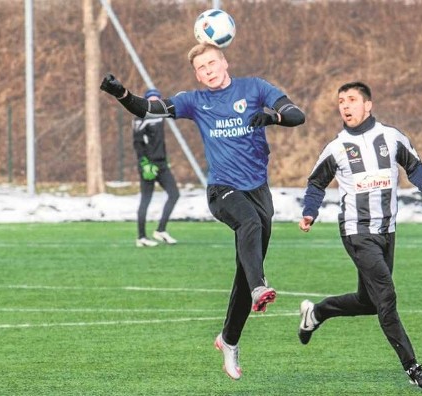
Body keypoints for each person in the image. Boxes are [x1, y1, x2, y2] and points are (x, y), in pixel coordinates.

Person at [99, 43, 305, 380]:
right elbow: (147, 109)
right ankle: (259, 287)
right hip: (222, 190)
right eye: (201, 68)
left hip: (258, 191)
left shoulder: (255, 88)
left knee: (246, 264)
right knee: (249, 228)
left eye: (212, 63)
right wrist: (121, 93)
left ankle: (229, 339)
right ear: (196, 74)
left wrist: (273, 116)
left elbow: (298, 115)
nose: (207, 71)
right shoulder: (194, 101)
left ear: (224, 62)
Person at [297, 81, 422, 390]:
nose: (345, 105)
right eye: (341, 101)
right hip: (356, 231)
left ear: (367, 105)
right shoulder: (337, 147)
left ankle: (316, 313)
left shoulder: (391, 137)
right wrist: (309, 211)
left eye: (351, 100)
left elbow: (415, 168)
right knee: (387, 296)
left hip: (387, 231)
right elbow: (316, 183)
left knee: (369, 302)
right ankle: (413, 368)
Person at [133, 88, 180, 248]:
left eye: (157, 100)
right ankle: (141, 237)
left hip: (161, 164)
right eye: (151, 100)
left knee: (174, 194)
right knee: (146, 200)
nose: (155, 103)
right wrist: (145, 164)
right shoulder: (140, 118)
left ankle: (161, 230)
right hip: (149, 166)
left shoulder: (161, 116)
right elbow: (138, 144)